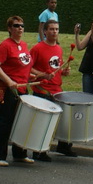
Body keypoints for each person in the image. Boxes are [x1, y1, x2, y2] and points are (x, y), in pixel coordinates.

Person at [0, 15, 33, 166]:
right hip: (8, 90)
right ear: (9, 28)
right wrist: (8, 81)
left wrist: (32, 76)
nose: (20, 28)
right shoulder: (5, 45)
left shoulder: (24, 45)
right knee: (6, 122)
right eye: (16, 25)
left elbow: (22, 66)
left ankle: (19, 154)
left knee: (21, 122)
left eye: (22, 25)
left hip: (22, 88)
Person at [29, 19, 71, 159]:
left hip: (56, 90)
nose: (54, 32)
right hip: (42, 90)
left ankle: (63, 146)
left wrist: (63, 72)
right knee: (43, 123)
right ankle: (38, 151)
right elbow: (28, 67)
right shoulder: (37, 48)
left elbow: (55, 68)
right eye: (51, 29)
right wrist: (42, 75)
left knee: (61, 120)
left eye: (56, 29)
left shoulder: (58, 48)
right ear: (45, 31)